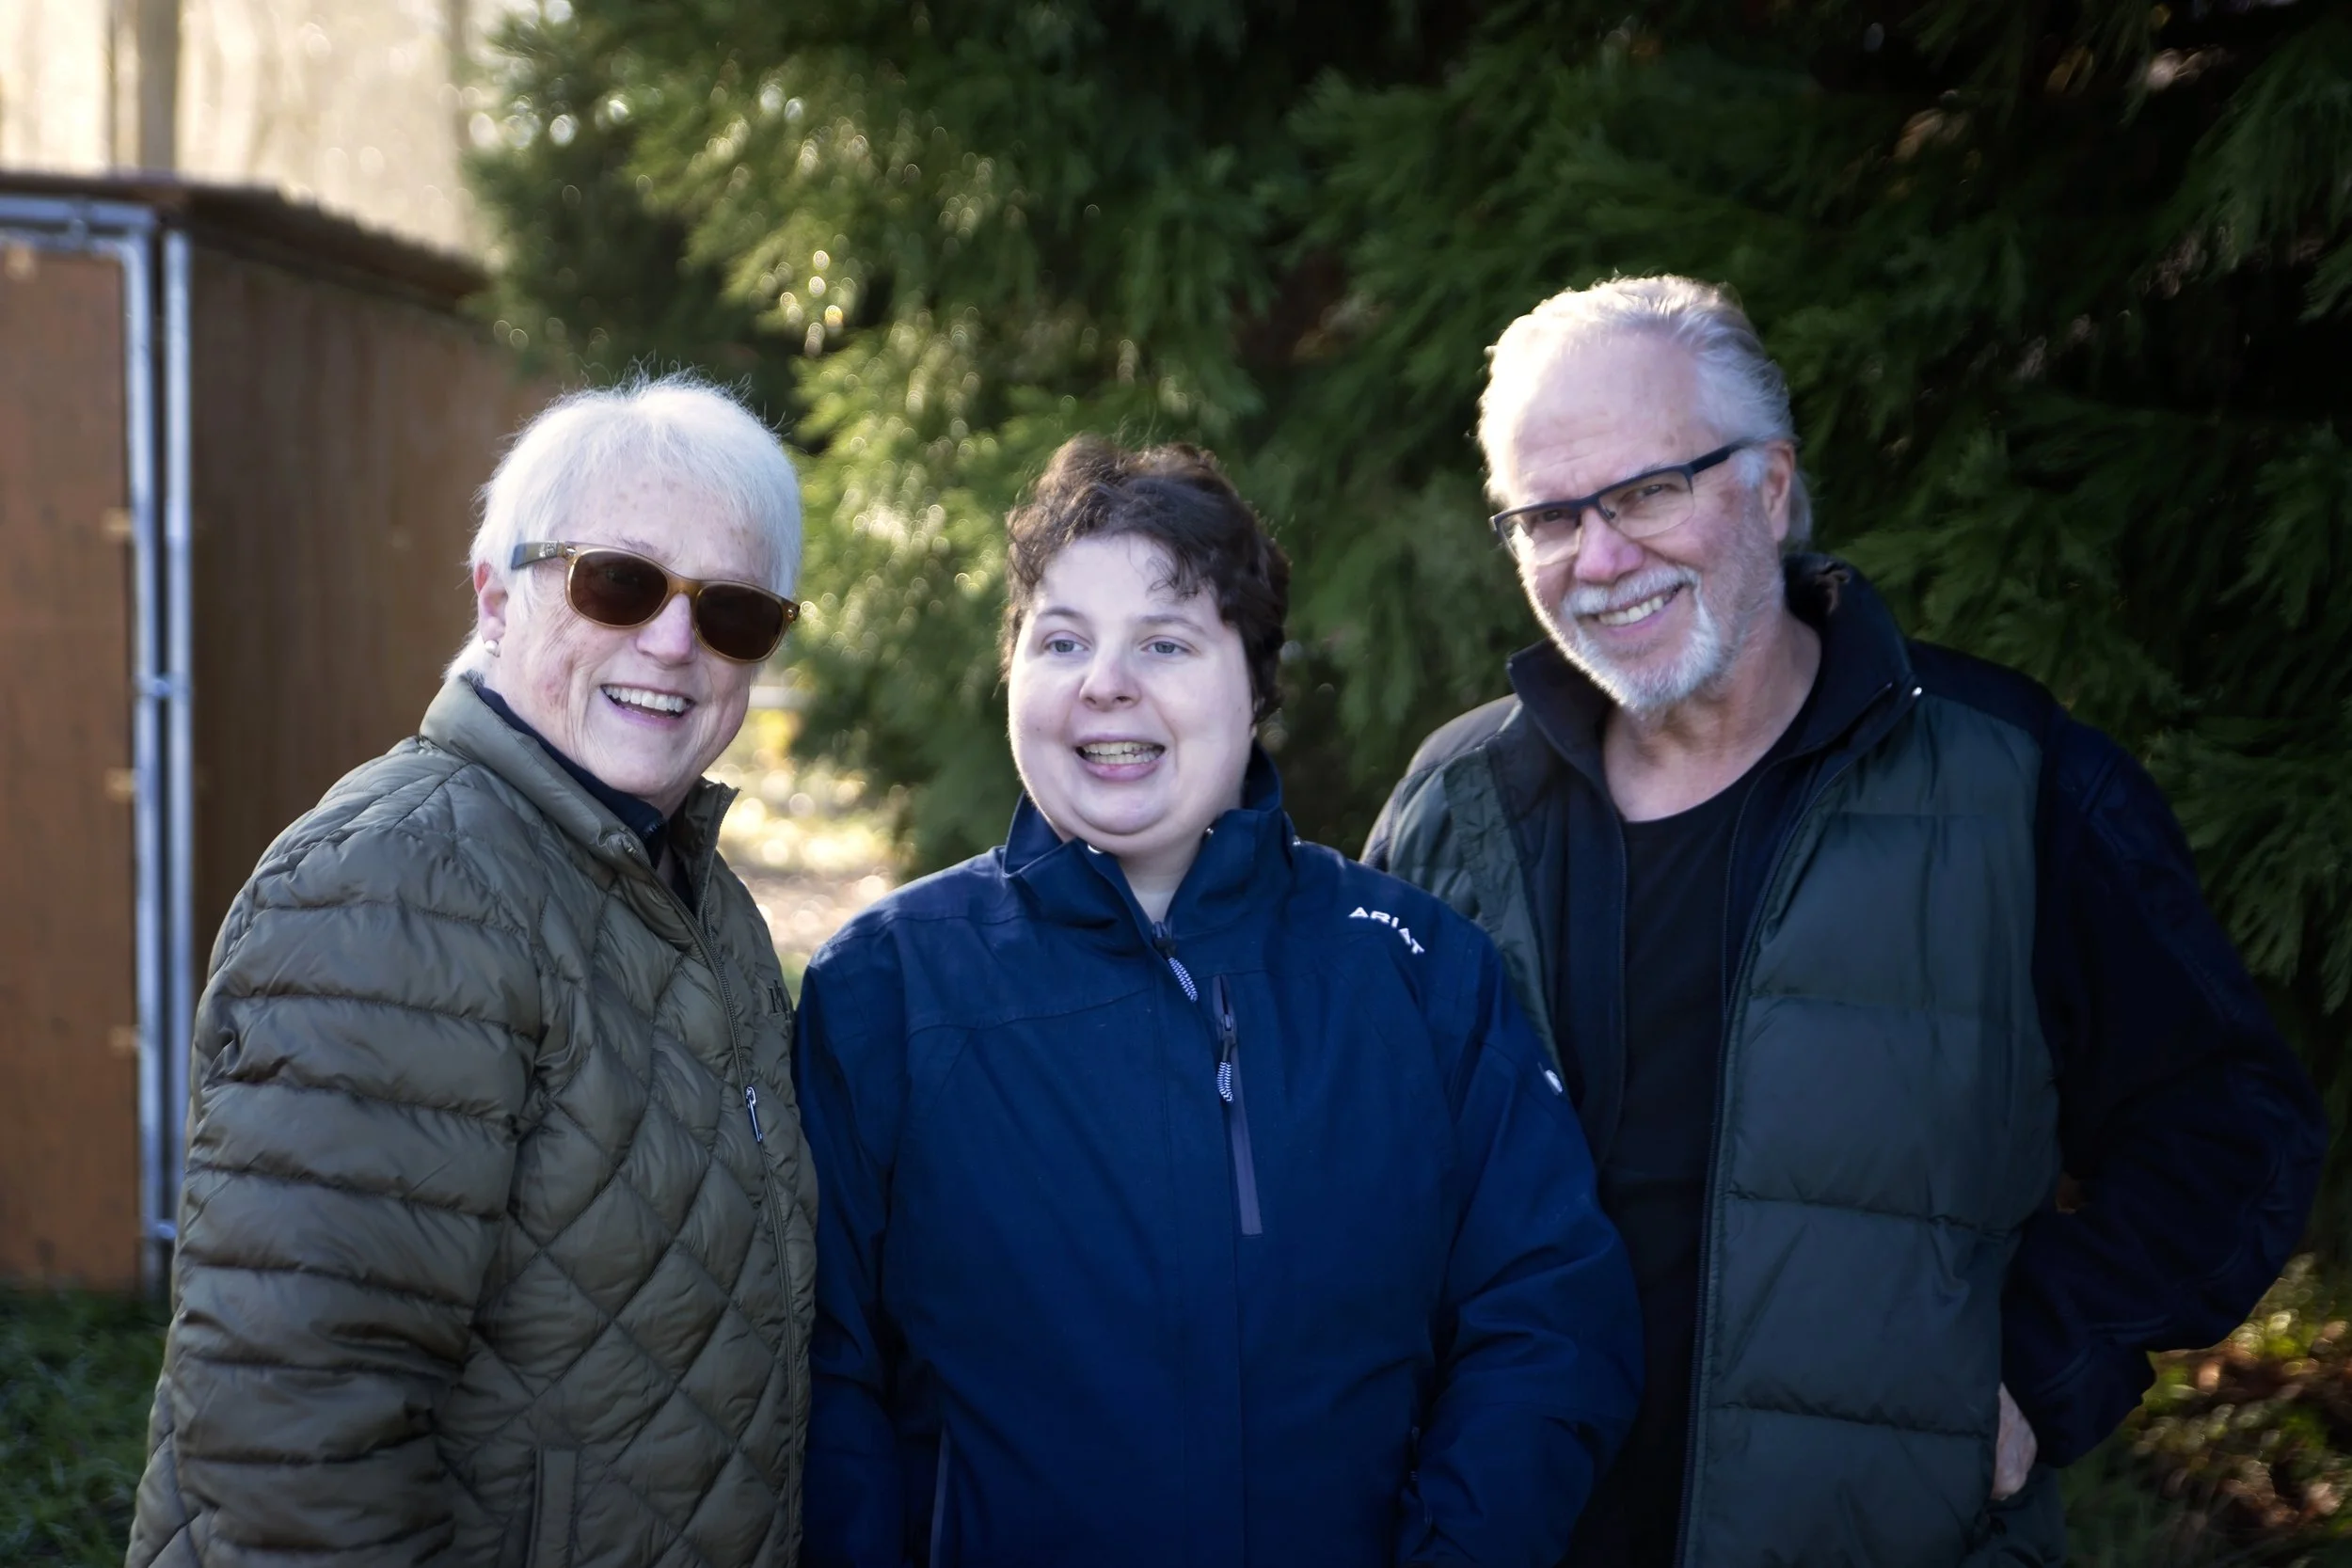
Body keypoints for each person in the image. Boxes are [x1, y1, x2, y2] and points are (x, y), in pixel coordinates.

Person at [1364, 275, 2329, 1567]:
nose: (1597, 557)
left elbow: (2232, 1126)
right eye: (1548, 515)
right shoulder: (1456, 804)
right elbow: (1353, 1180)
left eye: (1647, 491)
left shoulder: (2012, 781)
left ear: (1770, 485)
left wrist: (2039, 1368)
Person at [795, 436, 1642, 1568]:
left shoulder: (1416, 971)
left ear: (1255, 687)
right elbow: (824, 1379)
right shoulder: (884, 989)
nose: (1105, 681)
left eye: (1164, 640)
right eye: (1061, 639)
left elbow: (1547, 1323)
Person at [125, 375, 818, 1566]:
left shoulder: (697, 895)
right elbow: (295, 1443)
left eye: (734, 612)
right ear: (497, 599)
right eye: (619, 581)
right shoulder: (396, 886)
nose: (672, 641)